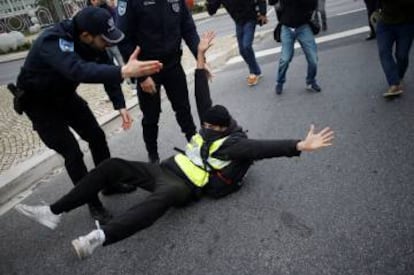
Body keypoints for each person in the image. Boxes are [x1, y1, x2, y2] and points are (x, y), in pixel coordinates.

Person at [15, 32, 334, 260]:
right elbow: (202, 99)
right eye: (204, 125)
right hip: (163, 169)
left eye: (210, 127)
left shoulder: (232, 144)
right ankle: (53, 211)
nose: (205, 128)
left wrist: (299, 145)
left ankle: (98, 238)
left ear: (222, 128)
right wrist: (199, 58)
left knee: (158, 202)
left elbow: (262, 148)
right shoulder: (211, 124)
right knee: (112, 166)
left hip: (183, 187)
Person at [14, 7, 163, 223]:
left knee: (97, 137)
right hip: (39, 104)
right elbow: (76, 70)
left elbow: (104, 68)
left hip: (64, 96)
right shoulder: (51, 41)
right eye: (105, 40)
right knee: (73, 153)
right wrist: (123, 72)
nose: (109, 44)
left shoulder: (92, 40)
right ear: (85, 36)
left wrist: (120, 105)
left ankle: (109, 184)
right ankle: (93, 204)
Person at [116, 0, 200, 164]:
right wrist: (141, 76)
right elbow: (124, 39)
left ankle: (196, 147)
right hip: (147, 68)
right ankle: (153, 157)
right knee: (151, 115)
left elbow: (187, 26)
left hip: (173, 63)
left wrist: (200, 57)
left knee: (183, 108)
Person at [206, 0, 267, 86]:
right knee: (242, 50)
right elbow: (212, 10)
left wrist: (263, 13)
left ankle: (253, 73)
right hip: (239, 21)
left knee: (246, 46)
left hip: (251, 18)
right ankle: (257, 71)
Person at [271, 0, 321, 95]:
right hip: (286, 27)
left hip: (303, 26)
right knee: (285, 59)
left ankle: (311, 81)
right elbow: (272, 2)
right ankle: (280, 82)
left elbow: (313, 4)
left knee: (313, 58)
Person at [375, 0, 414, 97]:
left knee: (402, 56)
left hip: (406, 23)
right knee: (384, 52)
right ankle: (394, 83)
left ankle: (398, 77)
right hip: (385, 22)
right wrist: (374, 10)